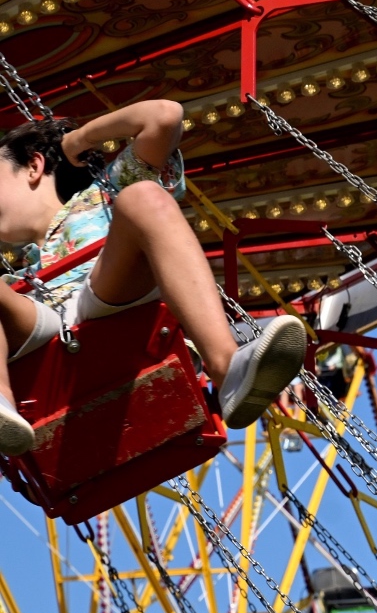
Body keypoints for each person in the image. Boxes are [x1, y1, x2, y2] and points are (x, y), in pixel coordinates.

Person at [0, 105, 308, 455]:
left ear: (34, 167)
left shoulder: (103, 196)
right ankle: (2, 401)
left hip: (111, 295)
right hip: (48, 328)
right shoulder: (18, 275)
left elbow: (164, 116)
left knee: (143, 195)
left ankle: (226, 367)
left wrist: (78, 140)